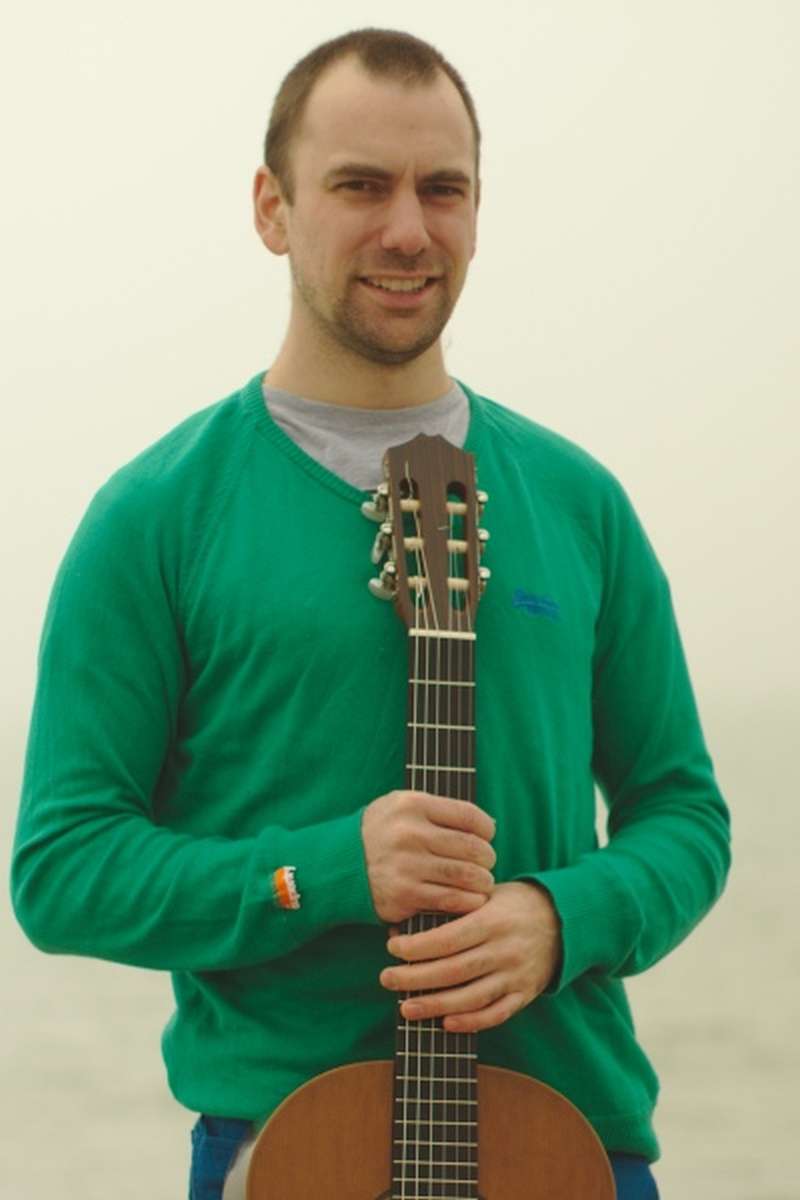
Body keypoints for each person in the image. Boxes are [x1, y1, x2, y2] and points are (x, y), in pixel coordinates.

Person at [11, 27, 730, 1200]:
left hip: (572, 1145)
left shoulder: (578, 501)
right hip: (290, 1147)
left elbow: (682, 811)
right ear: (271, 208)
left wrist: (561, 917)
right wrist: (319, 872)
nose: (407, 228)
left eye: (441, 189)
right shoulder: (153, 517)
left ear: (477, 211)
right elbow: (62, 867)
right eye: (358, 185)